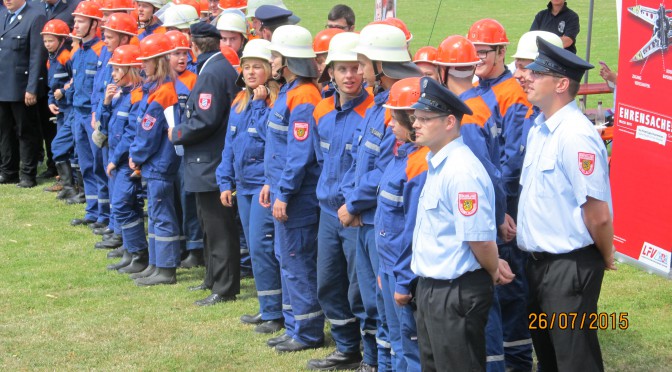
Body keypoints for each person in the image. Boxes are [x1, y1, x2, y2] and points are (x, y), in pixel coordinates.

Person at [519, 37, 614, 372]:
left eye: (537, 72)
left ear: (561, 83)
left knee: (575, 360)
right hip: (539, 265)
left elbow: (598, 214)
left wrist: (604, 255)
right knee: (549, 359)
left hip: (568, 266)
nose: (526, 76)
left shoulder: (574, 135)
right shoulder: (539, 128)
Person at [340, 22, 422, 371]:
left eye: (363, 63)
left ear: (382, 65)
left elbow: (387, 169)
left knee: (393, 312)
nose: (358, 71)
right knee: (374, 302)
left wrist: (354, 204)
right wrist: (349, 200)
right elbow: (355, 160)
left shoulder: (400, 108)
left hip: (379, 222)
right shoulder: (378, 105)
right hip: (365, 218)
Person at [410, 76, 505, 372]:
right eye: (415, 118)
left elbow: (480, 239)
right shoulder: (439, 163)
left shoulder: (461, 171)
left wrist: (493, 269)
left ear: (450, 122)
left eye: (425, 119)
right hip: (433, 288)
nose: (415, 124)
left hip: (455, 291)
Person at [468, 18, 533, 372]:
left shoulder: (511, 93)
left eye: (484, 52)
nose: (478, 58)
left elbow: (513, 156)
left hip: (504, 202)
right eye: (474, 51)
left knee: (510, 287)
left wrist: (500, 205)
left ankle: (518, 360)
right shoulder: (477, 88)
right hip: (484, 201)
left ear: (501, 52)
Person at [306, 32, 372, 371]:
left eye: (355, 68)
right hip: (327, 213)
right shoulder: (321, 111)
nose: (349, 76)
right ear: (329, 72)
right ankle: (346, 348)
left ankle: (372, 356)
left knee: (360, 290)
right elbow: (321, 160)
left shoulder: (373, 112)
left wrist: (356, 206)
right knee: (328, 282)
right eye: (341, 69)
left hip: (356, 216)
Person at [261, 24, 324, 353]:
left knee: (297, 260)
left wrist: (283, 192)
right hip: (284, 189)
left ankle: (309, 331)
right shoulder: (289, 90)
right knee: (285, 258)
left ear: (287, 60)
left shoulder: (303, 96)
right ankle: (293, 323)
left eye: (274, 55)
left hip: (298, 197)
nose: (270, 61)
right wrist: (271, 184)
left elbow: (299, 156)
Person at [215, 38, 284, 334]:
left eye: (258, 66)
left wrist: (259, 103)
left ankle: (274, 312)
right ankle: (266, 306)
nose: (252, 72)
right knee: (255, 248)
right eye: (247, 67)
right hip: (242, 186)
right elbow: (230, 145)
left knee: (262, 247)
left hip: (262, 188)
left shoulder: (274, 103)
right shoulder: (239, 102)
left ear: (270, 69)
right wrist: (224, 180)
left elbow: (269, 144)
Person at [169, 22, 240, 305]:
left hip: (210, 159)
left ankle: (224, 288)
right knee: (209, 225)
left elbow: (206, 119)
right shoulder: (217, 66)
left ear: (195, 46)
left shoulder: (211, 72)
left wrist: (177, 133)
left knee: (218, 227)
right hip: (208, 159)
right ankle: (212, 278)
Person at [375, 76, 426, 372]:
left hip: (404, 273)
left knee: (411, 346)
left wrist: (403, 280)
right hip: (389, 267)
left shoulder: (419, 164)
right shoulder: (399, 156)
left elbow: (412, 231)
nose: (389, 124)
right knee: (397, 341)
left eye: (395, 118)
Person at [125, 33, 181, 285]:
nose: (141, 65)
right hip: (157, 163)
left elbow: (148, 133)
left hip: (159, 163)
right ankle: (157, 264)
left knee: (161, 215)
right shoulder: (160, 89)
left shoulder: (162, 93)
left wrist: (136, 156)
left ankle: (166, 268)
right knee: (157, 214)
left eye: (146, 61)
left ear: (157, 62)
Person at [100, 44, 149, 275]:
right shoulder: (122, 95)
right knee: (125, 206)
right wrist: (107, 103)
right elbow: (107, 126)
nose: (113, 74)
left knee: (122, 204)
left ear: (131, 70)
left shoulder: (137, 97)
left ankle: (138, 253)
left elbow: (131, 134)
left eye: (118, 69)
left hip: (125, 162)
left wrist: (115, 158)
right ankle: (131, 252)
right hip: (117, 159)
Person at [164, 30, 204, 269]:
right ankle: (177, 243)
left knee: (187, 196)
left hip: (184, 148)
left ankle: (195, 247)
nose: (181, 58)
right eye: (175, 53)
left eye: (184, 53)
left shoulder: (192, 80)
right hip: (165, 149)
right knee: (171, 198)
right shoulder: (162, 80)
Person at [0, 0, 48, 187]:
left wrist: (32, 87)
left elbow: (37, 55)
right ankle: (8, 170)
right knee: (4, 132)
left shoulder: (35, 16)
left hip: (21, 87)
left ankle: (28, 174)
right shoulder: (3, 14)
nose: (7, 0)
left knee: (25, 131)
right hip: (3, 85)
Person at [68, 1, 106, 227]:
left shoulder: (101, 50)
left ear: (94, 24)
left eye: (81, 21)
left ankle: (105, 215)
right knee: (86, 165)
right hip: (77, 115)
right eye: (75, 20)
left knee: (99, 165)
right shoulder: (78, 52)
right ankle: (93, 211)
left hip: (93, 117)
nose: (76, 25)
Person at [42, 19, 77, 199]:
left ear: (62, 40)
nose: (47, 44)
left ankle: (71, 185)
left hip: (71, 108)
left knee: (61, 145)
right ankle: (67, 184)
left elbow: (74, 81)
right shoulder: (51, 59)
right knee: (62, 145)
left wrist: (63, 92)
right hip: (61, 109)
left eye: (51, 40)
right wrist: (51, 100)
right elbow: (51, 84)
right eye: (45, 41)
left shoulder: (66, 57)